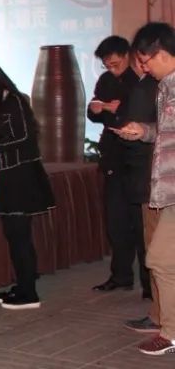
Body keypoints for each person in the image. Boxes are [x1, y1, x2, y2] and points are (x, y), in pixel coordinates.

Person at [111, 22, 175, 356]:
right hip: (169, 191)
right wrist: (144, 132)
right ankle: (170, 330)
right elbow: (167, 132)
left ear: (160, 52)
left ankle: (170, 331)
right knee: (160, 260)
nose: (144, 68)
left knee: (161, 259)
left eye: (145, 61)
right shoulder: (166, 86)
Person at [0, 61, 55, 310]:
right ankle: (23, 285)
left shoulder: (14, 101)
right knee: (15, 235)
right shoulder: (6, 103)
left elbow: (23, 137)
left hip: (20, 178)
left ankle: (29, 293)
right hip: (9, 176)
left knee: (20, 236)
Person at [88, 36, 142, 292]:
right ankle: (121, 276)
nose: (111, 67)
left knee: (140, 224)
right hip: (113, 158)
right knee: (116, 222)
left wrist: (114, 110)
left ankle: (149, 284)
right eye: (106, 64)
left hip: (137, 160)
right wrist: (98, 108)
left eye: (115, 62)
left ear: (127, 55)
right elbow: (94, 110)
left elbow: (136, 115)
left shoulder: (140, 79)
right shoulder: (105, 81)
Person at [121, 47, 161, 334]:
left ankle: (161, 317)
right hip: (157, 182)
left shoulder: (148, 88)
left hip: (153, 183)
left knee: (157, 255)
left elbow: (138, 142)